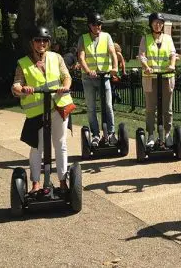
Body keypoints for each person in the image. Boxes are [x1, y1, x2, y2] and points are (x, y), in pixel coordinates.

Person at [11, 26, 74, 193]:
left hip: (58, 107)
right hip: (37, 113)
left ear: (49, 42)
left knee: (60, 143)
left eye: (44, 40)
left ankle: (62, 181)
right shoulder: (23, 63)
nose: (41, 43)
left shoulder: (56, 58)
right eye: (38, 40)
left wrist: (65, 87)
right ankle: (36, 183)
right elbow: (16, 85)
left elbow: (66, 76)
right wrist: (23, 89)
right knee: (37, 147)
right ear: (32, 43)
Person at [77, 12, 120, 147]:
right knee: (91, 108)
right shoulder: (83, 38)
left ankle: (111, 133)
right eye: (95, 25)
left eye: (99, 24)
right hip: (88, 78)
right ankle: (95, 135)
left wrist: (115, 67)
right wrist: (88, 71)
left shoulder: (106, 37)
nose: (98, 27)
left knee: (108, 105)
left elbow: (113, 53)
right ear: (90, 26)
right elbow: (81, 57)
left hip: (104, 76)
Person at [138, 12, 177, 148]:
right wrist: (146, 67)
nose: (158, 25)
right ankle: (150, 135)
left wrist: (172, 65)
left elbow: (172, 54)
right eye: (155, 22)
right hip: (150, 77)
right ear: (151, 24)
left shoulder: (168, 38)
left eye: (160, 23)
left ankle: (167, 134)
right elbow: (142, 55)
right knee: (150, 108)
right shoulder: (145, 38)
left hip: (166, 77)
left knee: (167, 109)